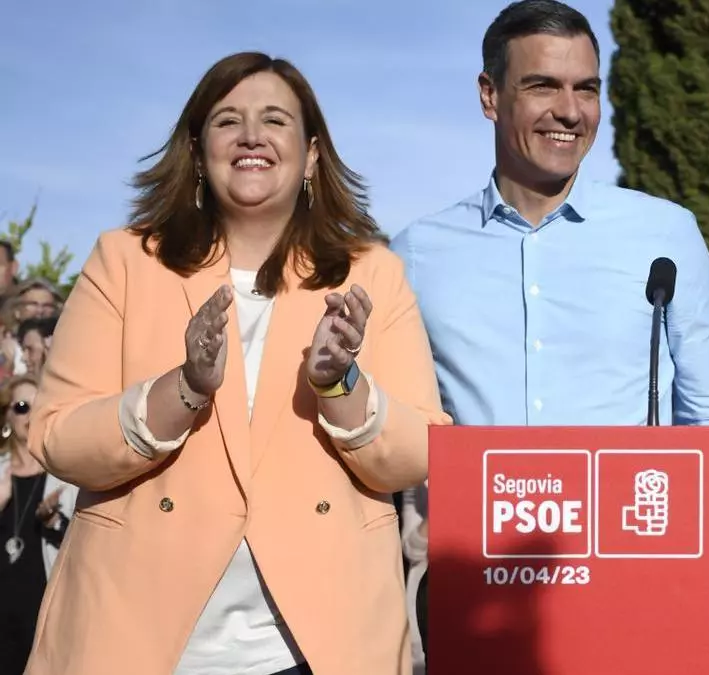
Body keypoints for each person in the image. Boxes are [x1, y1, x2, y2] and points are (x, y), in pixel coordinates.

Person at [25, 52, 450, 675]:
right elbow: (56, 437)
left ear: (311, 155)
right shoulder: (123, 261)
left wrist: (339, 384)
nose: (252, 135)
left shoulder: (374, 274)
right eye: (228, 121)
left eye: (275, 120)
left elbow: (420, 454)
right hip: (135, 637)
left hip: (321, 645)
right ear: (197, 153)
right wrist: (184, 388)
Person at [390, 0, 709, 661]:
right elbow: (396, 429)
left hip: (637, 581)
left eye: (586, 88)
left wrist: (707, 578)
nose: (570, 111)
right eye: (543, 86)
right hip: (476, 592)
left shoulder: (666, 232)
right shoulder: (415, 254)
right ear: (490, 95)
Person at [0, 376, 76, 675]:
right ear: (7, 416)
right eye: (21, 407)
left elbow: (81, 544)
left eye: (37, 405)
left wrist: (53, 520)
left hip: (42, 616)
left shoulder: (63, 474)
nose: (30, 415)